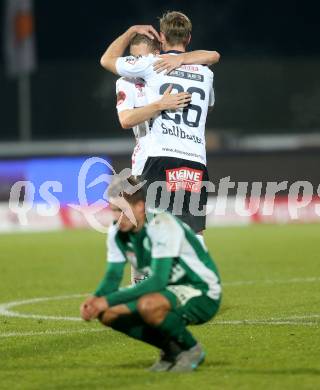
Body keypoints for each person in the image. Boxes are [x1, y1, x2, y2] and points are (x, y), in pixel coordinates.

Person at [80, 176, 221, 372]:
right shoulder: (116, 233)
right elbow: (113, 277)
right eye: (113, 210)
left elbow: (157, 281)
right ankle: (171, 350)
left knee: (147, 305)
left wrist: (107, 299)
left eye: (122, 210)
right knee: (107, 313)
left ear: (139, 206)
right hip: (168, 290)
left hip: (201, 290)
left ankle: (191, 349)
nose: (116, 218)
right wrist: (95, 299)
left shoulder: (162, 225)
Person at [100, 13, 218, 241]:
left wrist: (132, 29)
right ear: (189, 38)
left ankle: (149, 276)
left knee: (150, 229)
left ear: (161, 40)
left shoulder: (151, 65)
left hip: (160, 158)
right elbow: (213, 62)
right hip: (194, 159)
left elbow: (107, 60)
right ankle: (202, 275)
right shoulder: (206, 72)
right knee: (195, 231)